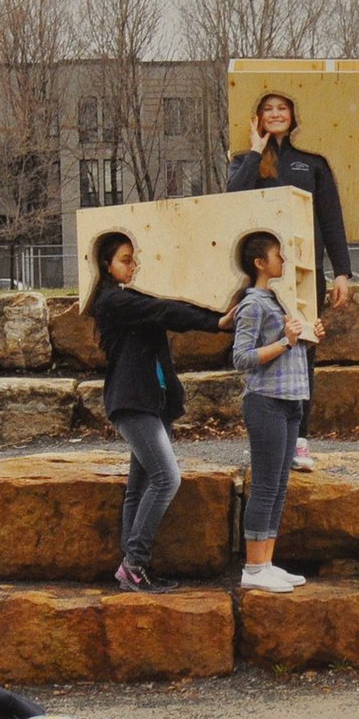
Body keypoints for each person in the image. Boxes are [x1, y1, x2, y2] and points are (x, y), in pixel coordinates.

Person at [87, 232, 233, 594]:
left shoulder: (132, 298)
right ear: (106, 265)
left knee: (140, 487)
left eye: (134, 259)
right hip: (133, 404)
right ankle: (134, 565)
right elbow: (166, 310)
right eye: (124, 260)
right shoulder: (112, 301)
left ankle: (132, 568)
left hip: (152, 403)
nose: (133, 266)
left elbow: (165, 311)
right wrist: (216, 322)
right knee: (168, 479)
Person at [226, 91, 350, 471]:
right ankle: (266, 438)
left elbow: (331, 218)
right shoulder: (243, 162)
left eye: (282, 108)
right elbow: (232, 199)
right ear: (257, 117)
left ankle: (298, 440)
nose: (275, 114)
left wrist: (341, 271)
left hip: (302, 275)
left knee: (302, 354)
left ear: (294, 115)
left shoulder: (312, 163)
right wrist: (254, 151)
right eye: (267, 109)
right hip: (263, 278)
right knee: (264, 353)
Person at [229, 232, 320, 594]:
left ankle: (266, 562)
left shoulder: (279, 301)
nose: (283, 260)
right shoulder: (253, 304)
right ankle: (253, 567)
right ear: (259, 263)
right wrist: (286, 341)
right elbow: (242, 358)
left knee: (279, 487)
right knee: (265, 486)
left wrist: (311, 333)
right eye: (277, 255)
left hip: (291, 401)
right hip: (265, 401)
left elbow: (293, 342)